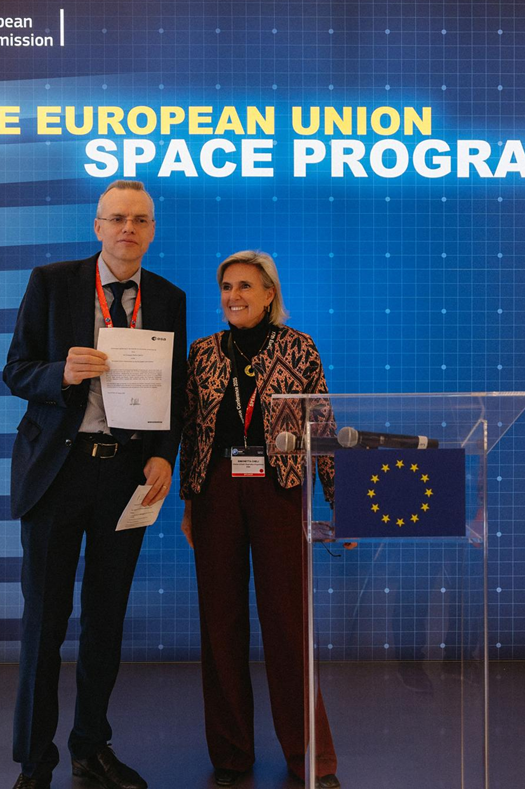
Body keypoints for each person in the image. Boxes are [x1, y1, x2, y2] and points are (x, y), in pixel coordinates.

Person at [4, 180, 187, 789]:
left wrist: (165, 456)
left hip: (124, 478)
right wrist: (62, 372)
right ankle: (35, 762)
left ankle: (91, 747)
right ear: (97, 226)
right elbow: (16, 370)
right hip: (58, 472)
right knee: (45, 624)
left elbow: (176, 393)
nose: (127, 228)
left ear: (152, 230)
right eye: (116, 218)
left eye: (139, 219)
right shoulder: (51, 282)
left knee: (106, 621)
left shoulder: (168, 298)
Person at [179, 251, 340, 788]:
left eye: (245, 286)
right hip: (215, 494)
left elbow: (323, 425)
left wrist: (342, 503)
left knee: (287, 626)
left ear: (270, 293)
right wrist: (188, 500)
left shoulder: (299, 347)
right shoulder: (202, 353)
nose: (233, 296)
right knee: (219, 626)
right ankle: (230, 756)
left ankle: (310, 760)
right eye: (226, 286)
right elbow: (191, 432)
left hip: (280, 489)